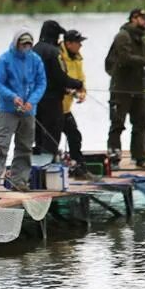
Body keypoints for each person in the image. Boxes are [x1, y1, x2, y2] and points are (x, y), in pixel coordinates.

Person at [105, 8, 145, 170]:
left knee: (141, 123)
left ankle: (140, 157)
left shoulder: (143, 40)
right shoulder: (122, 37)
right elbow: (124, 59)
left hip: (139, 88)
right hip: (121, 89)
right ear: (134, 18)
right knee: (117, 124)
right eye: (143, 18)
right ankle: (114, 159)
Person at [0, 31, 46, 191]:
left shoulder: (36, 60)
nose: (26, 47)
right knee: (2, 144)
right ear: (16, 43)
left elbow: (41, 83)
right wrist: (13, 97)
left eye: (29, 44)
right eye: (23, 44)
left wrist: (31, 102)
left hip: (28, 111)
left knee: (25, 146)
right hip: (8, 109)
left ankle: (19, 180)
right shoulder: (5, 59)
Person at [32, 20, 71, 156]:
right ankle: (49, 169)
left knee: (39, 138)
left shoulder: (33, 50)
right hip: (53, 101)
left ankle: (37, 171)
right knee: (52, 137)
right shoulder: (54, 52)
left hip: (35, 102)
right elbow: (60, 77)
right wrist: (77, 84)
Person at [59, 30, 90, 178]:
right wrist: (68, 89)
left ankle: (78, 167)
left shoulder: (77, 58)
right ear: (68, 43)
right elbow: (57, 78)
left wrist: (82, 92)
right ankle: (52, 171)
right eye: (78, 43)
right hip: (53, 107)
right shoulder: (58, 56)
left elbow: (81, 79)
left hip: (66, 108)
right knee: (51, 141)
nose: (80, 45)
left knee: (75, 136)